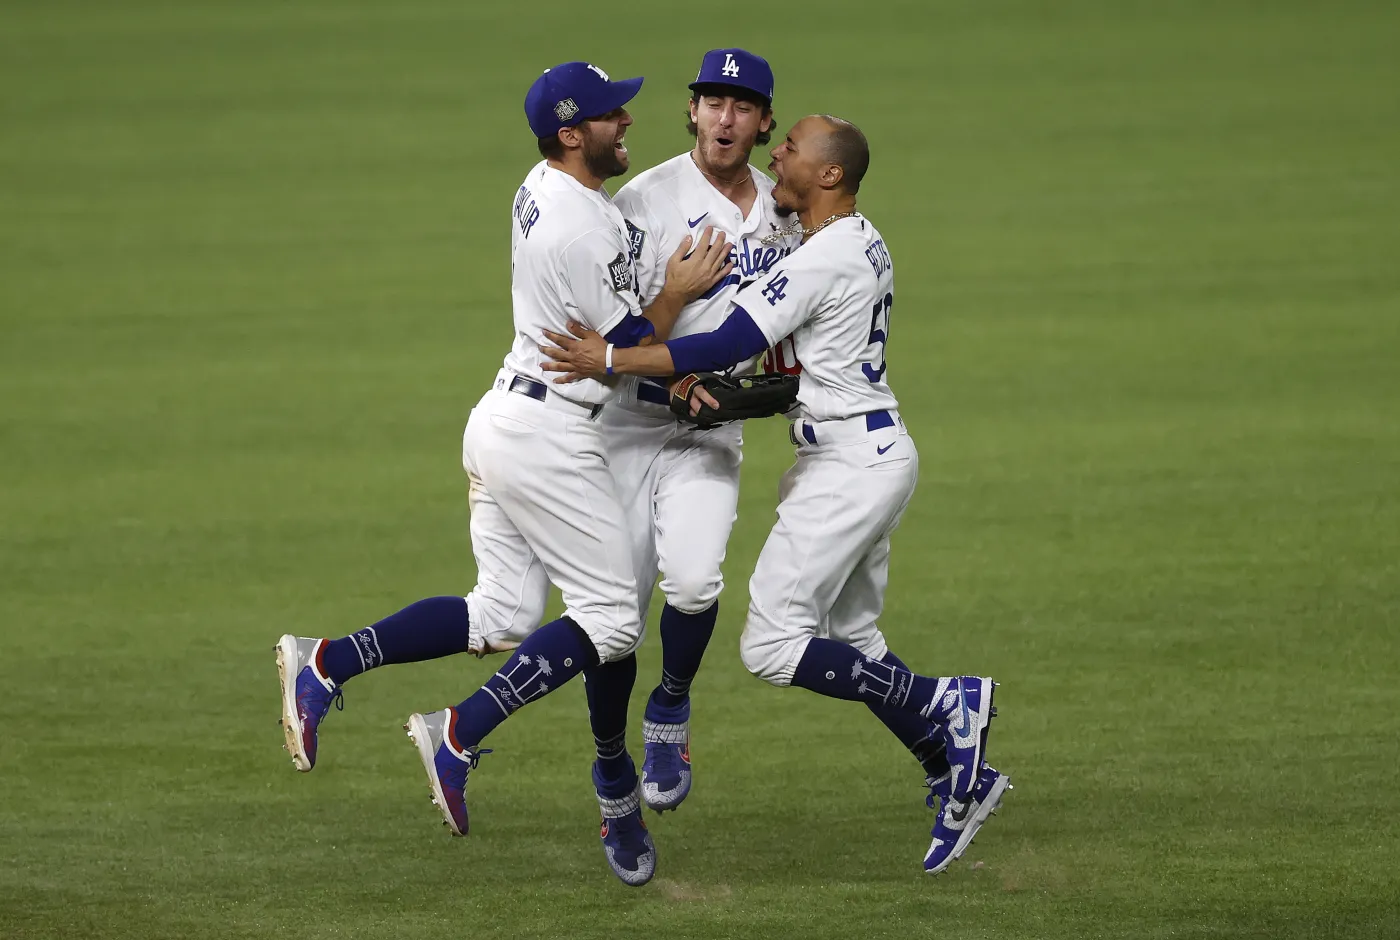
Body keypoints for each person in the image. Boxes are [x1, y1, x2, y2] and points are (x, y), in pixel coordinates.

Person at [273, 60, 732, 887]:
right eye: (610, 116)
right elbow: (625, 356)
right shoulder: (579, 228)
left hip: (506, 417)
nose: (627, 122)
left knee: (505, 610)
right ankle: (458, 730)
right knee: (614, 621)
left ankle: (325, 663)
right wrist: (676, 291)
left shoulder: (553, 188)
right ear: (570, 134)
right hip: (549, 434)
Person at [540, 114, 1011, 874]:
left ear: (830, 177)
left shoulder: (825, 255)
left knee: (771, 644)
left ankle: (946, 703)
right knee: (854, 642)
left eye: (790, 146)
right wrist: (723, 399)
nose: (776, 154)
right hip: (866, 451)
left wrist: (612, 355)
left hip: (851, 464)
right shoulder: (859, 241)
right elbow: (786, 377)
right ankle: (954, 771)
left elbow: (728, 343)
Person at [601, 48, 799, 813]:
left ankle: (671, 707)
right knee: (615, 619)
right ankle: (610, 763)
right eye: (712, 100)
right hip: (624, 428)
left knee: (693, 582)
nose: (725, 116)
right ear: (691, 112)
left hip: (710, 434)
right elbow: (608, 330)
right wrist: (672, 345)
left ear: (763, 122)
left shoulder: (785, 214)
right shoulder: (643, 203)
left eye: (742, 105)